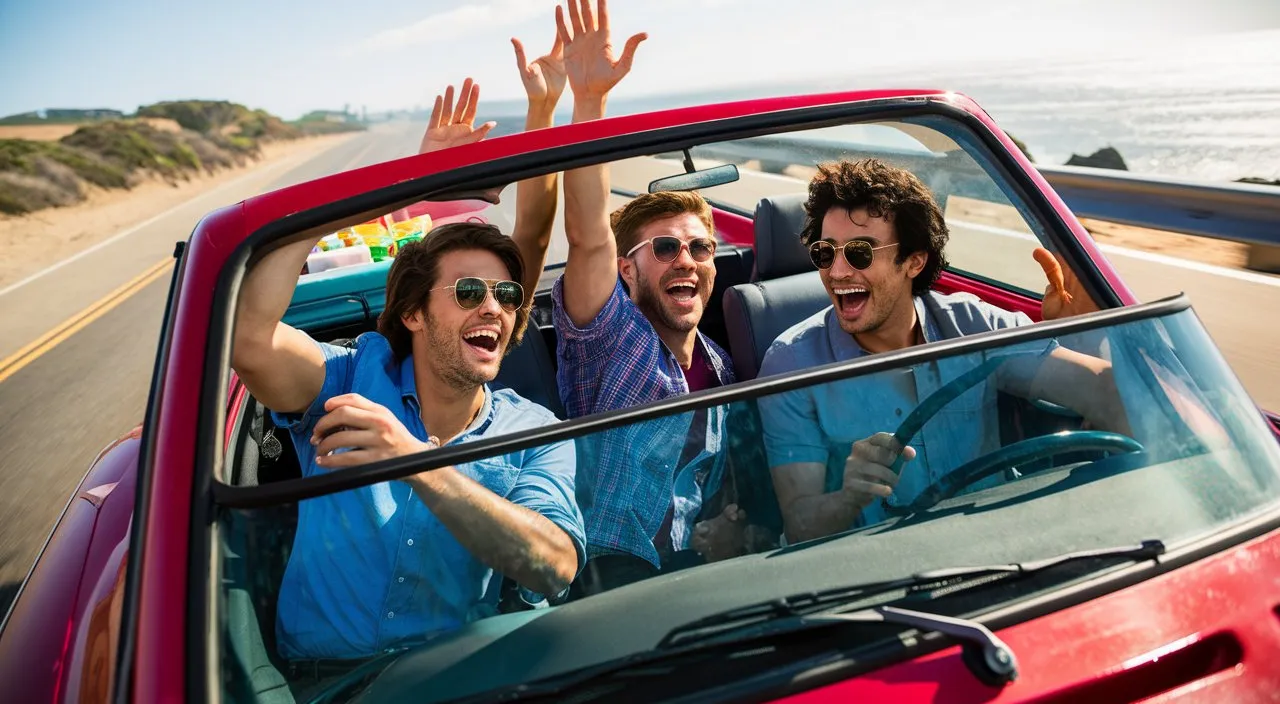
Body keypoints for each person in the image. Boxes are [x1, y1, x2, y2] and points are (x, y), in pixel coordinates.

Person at [229, 64, 583, 668]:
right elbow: (247, 337)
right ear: (414, 314)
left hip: (453, 680)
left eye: (507, 296)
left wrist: (415, 461)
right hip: (320, 680)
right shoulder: (348, 378)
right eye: (470, 292)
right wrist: (399, 185)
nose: (494, 308)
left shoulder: (531, 431)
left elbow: (555, 568)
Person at [757, 158, 1129, 544]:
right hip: (872, 576)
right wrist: (849, 497)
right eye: (824, 253)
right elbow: (799, 524)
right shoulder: (791, 363)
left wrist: (1088, 330)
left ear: (914, 261)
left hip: (1003, 548)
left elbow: (1107, 391)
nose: (836, 272)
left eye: (859, 253)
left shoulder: (973, 326)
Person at [550, 0, 776, 592]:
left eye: (700, 249)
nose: (687, 261)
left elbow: (712, 486)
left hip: (692, 577)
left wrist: (728, 532)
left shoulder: (722, 367)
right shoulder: (611, 339)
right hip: (605, 579)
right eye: (666, 249)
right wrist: (590, 101)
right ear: (628, 270)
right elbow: (587, 235)